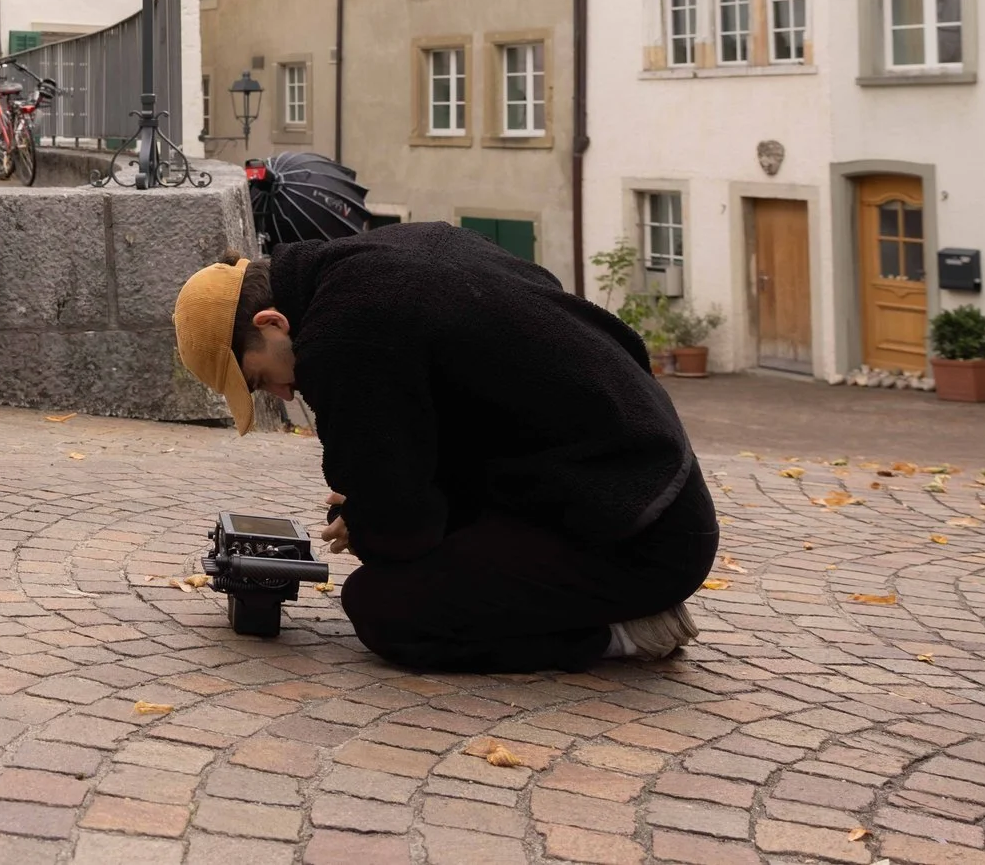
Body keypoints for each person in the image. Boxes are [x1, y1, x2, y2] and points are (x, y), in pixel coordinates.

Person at [171, 224, 717, 671]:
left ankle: (623, 632)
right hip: (649, 490)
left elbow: (402, 537)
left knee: (386, 610)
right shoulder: (389, 253)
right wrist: (379, 498)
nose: (282, 393)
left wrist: (370, 519)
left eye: (261, 379)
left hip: (636, 540)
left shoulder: (344, 337)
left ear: (272, 323)